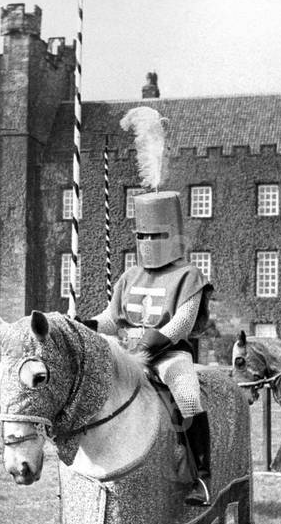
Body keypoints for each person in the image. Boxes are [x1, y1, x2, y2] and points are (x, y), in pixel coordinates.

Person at [90, 190, 214, 506]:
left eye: (155, 234)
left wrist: (150, 344)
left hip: (169, 355)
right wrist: (85, 324)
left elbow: (182, 324)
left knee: (187, 396)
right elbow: (111, 318)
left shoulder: (189, 275)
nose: (147, 241)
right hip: (126, 352)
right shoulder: (130, 275)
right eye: (141, 235)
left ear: (171, 234)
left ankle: (201, 476)